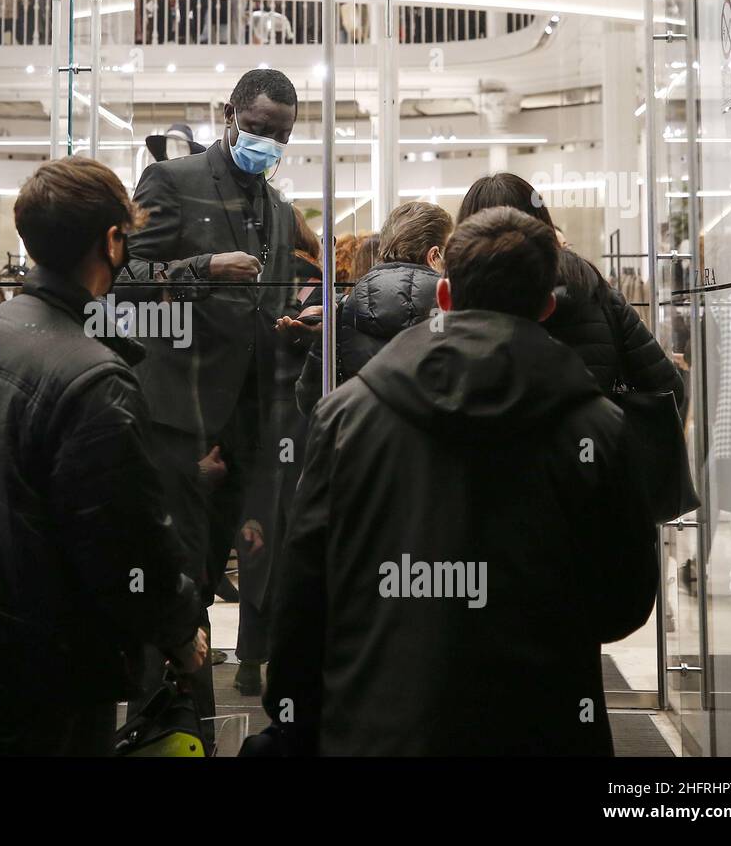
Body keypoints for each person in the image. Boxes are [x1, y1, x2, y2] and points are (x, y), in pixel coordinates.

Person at [264, 208, 658, 755]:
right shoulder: (597, 428)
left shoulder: (346, 417)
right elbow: (624, 602)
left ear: (443, 296)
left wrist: (296, 715)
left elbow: (305, 590)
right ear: (547, 306)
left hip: (381, 722)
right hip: (544, 724)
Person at [0, 156, 206, 757]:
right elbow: (124, 539)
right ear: (114, 240)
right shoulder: (92, 377)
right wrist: (179, 627)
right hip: (52, 672)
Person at [115, 67, 298, 733]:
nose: (267, 143)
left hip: (247, 428)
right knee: (174, 588)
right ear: (229, 115)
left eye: (279, 135)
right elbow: (122, 279)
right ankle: (160, 732)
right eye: (256, 129)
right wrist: (202, 268)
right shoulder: (175, 181)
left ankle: (188, 731)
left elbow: (261, 313)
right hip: (175, 418)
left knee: (208, 590)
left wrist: (289, 328)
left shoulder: (279, 211)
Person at [458, 172, 683, 403]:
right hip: (595, 435)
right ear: (541, 221)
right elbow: (669, 387)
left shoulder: (460, 312)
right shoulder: (596, 294)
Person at [232, 208, 322, 695]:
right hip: (306, 422)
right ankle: (295, 658)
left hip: (258, 426)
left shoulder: (255, 279)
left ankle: (250, 656)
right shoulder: (316, 277)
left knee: (257, 544)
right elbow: (318, 325)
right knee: (300, 542)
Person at [295, 202, 453, 415]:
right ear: (434, 256)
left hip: (364, 441)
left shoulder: (343, 309)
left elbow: (310, 399)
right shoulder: (452, 306)